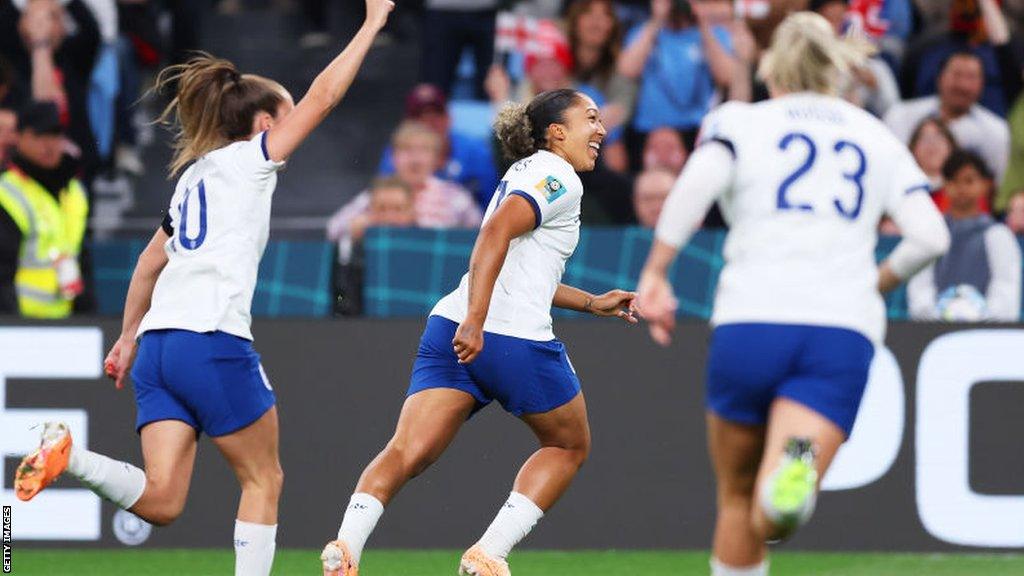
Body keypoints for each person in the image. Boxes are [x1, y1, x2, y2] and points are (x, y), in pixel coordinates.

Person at [11, 4, 395, 576]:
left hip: (160, 349)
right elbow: (325, 97)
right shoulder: (250, 163)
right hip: (210, 338)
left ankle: (73, 455)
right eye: (286, 116)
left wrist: (127, 338)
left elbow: (147, 263)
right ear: (266, 124)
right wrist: (370, 26)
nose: (296, 127)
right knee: (264, 478)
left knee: (163, 501)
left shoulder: (194, 177)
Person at [636, 12, 949, 576]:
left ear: (771, 68)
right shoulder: (873, 134)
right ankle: (791, 481)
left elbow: (697, 182)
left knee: (734, 497)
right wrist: (878, 281)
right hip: (840, 330)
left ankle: (782, 488)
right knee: (773, 510)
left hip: (750, 320)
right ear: (835, 68)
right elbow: (930, 235)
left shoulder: (742, 121)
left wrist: (657, 272)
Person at [320, 89, 638, 576]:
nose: (601, 130)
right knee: (568, 446)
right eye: (590, 119)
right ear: (556, 132)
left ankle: (345, 547)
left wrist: (592, 302)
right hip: (506, 337)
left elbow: (522, 267)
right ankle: (488, 554)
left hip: (450, 325)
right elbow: (493, 236)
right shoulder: (559, 177)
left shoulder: (525, 171)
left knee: (407, 450)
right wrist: (477, 319)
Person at [327, 120, 482, 247]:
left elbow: (481, 236)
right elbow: (333, 228)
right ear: (393, 157)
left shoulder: (455, 197)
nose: (415, 159)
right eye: (407, 150)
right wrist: (363, 224)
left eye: (423, 150)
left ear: (436, 159)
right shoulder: (375, 195)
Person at [908, 150, 1021, 322]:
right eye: (953, 181)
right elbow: (920, 288)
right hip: (933, 331)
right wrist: (939, 317)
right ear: (944, 184)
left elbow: (1006, 288)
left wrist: (980, 317)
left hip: (987, 334)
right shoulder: (931, 232)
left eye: (969, 181)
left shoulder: (998, 235)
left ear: (984, 184)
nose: (961, 188)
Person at [0, 100, 87, 317]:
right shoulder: (7, 192)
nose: (49, 145)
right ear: (18, 137)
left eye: (55, 136)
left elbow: (81, 261)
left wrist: (88, 317)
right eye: (39, 136)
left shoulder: (74, 191)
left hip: (67, 323)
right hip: (19, 325)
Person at [885, 51, 1010, 182]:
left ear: (982, 84)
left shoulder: (997, 132)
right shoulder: (901, 115)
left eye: (972, 77)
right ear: (939, 77)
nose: (963, 85)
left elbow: (997, 184)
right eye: (956, 75)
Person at [377, 84, 499, 207]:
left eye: (436, 115)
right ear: (407, 124)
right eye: (419, 117)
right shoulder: (397, 152)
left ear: (448, 117)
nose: (429, 123)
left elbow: (491, 205)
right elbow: (382, 199)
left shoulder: (476, 152)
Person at [908, 117, 957, 191]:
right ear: (913, 148)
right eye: (925, 138)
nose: (932, 144)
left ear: (951, 146)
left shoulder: (964, 188)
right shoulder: (903, 185)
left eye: (938, 137)